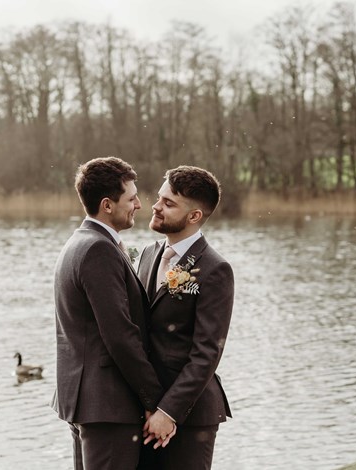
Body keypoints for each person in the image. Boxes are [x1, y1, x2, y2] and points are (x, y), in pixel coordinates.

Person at [51, 156, 175, 470]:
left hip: (89, 402)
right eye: (132, 198)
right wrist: (155, 401)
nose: (138, 205)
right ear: (107, 205)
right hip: (108, 405)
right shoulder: (98, 250)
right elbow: (120, 335)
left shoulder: (79, 242)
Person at [136, 165, 235, 470]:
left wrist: (169, 411)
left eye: (169, 203)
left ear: (194, 217)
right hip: (143, 410)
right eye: (159, 198)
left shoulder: (215, 269)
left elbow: (207, 353)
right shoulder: (148, 254)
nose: (156, 206)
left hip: (190, 416)